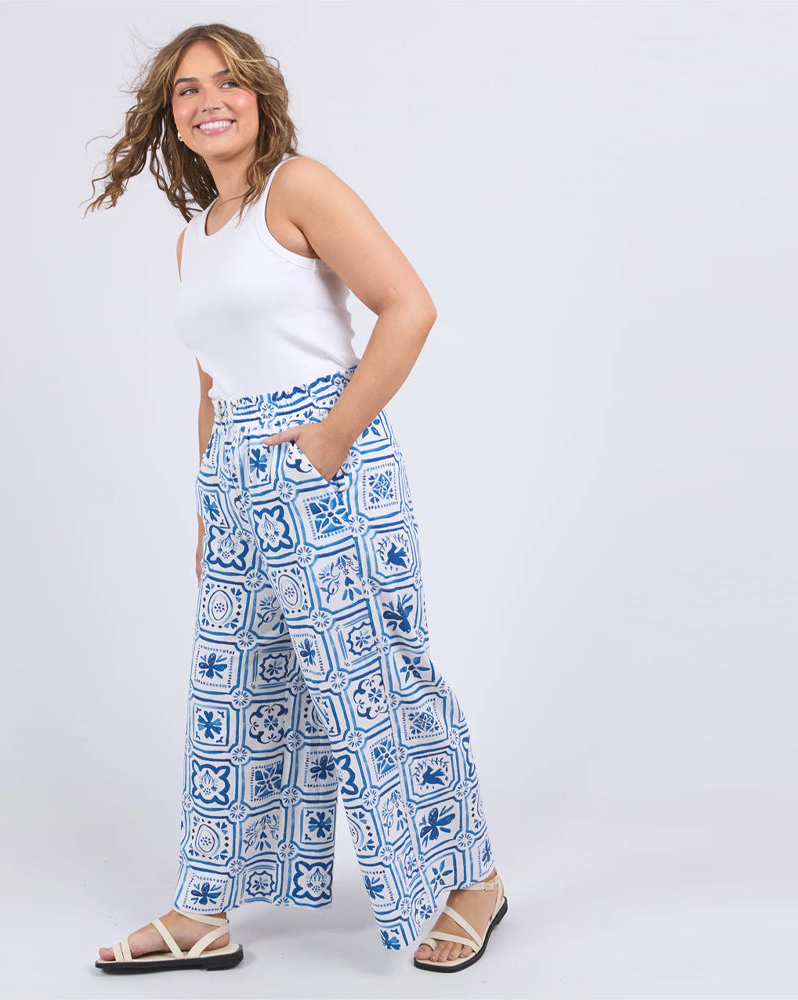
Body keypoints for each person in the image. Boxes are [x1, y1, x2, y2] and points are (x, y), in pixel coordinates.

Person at [84, 22, 508, 975]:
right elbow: (211, 380)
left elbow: (409, 307)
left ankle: (472, 879)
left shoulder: (299, 187)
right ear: (171, 117)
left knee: (377, 677)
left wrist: (334, 435)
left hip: (325, 461)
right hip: (236, 475)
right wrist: (209, 507)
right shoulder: (196, 238)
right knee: (232, 686)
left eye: (227, 82)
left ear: (260, 95)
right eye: (188, 90)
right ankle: (203, 908)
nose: (210, 101)